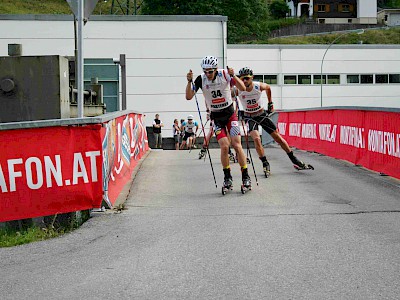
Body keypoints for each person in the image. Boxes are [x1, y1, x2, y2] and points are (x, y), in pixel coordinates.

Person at [186, 55, 251, 190]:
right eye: (205, 71)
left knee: (236, 145)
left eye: (210, 71)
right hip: (216, 118)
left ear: (216, 69)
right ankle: (227, 177)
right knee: (224, 146)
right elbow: (188, 97)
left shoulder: (225, 74)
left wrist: (234, 76)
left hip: (230, 115)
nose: (208, 74)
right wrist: (188, 82)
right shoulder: (201, 79)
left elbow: (243, 88)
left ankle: (245, 175)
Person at [236, 67, 312, 175]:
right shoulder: (238, 89)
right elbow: (228, 96)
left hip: (261, 114)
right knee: (257, 139)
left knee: (277, 137)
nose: (244, 81)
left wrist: (270, 103)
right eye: (242, 79)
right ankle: (265, 163)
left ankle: (294, 159)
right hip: (249, 117)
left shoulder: (258, 86)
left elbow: (268, 87)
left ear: (252, 78)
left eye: (247, 79)